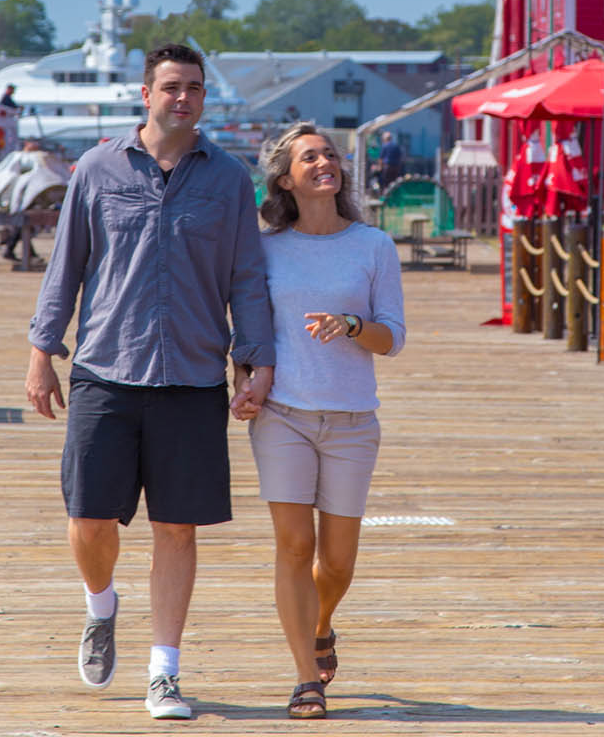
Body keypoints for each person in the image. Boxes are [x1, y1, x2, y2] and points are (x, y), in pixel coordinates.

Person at [24, 42, 276, 721]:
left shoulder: (227, 179)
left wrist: (255, 361)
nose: (184, 98)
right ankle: (100, 606)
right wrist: (42, 350)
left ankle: (164, 671)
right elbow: (66, 267)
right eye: (171, 87)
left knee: (178, 528)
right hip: (105, 368)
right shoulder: (98, 170)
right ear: (146, 94)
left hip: (193, 376)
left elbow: (247, 277)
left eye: (194, 87)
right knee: (87, 518)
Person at [250, 121, 406, 720]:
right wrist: (245, 379)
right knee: (294, 546)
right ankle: (303, 680)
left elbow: (392, 338)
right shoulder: (263, 248)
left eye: (330, 155)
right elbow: (249, 329)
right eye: (309, 157)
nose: (325, 163)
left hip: (351, 421)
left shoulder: (373, 246)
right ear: (285, 179)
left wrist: (349, 325)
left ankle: (321, 621)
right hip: (282, 414)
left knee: (337, 561)